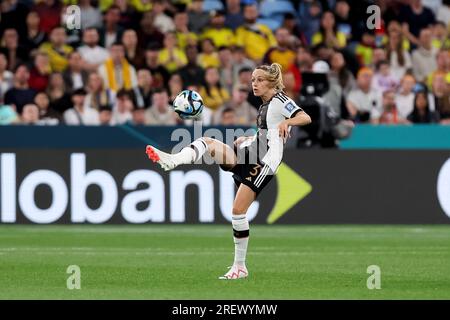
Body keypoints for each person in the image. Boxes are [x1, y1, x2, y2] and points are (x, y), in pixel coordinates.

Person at [145, 63, 311, 279]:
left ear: (270, 81)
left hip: (264, 162)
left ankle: (240, 267)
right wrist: (249, 138)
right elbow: (266, 134)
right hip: (251, 151)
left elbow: (305, 117)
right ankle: (173, 160)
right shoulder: (263, 106)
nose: (254, 83)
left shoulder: (280, 100)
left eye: (259, 79)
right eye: (252, 80)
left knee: (237, 211)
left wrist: (288, 122)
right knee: (209, 142)